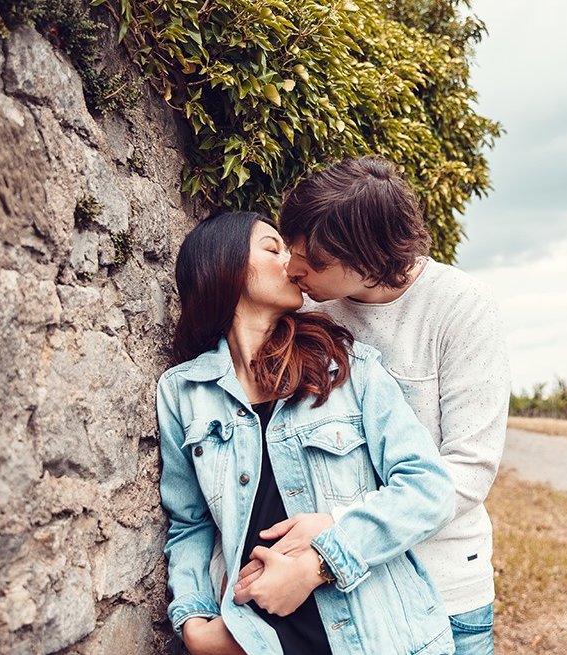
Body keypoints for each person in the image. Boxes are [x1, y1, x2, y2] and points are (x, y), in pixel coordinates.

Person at [157, 210, 457, 654]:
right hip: (259, 639)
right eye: (273, 248)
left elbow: (429, 489)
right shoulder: (183, 392)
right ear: (225, 267)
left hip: (376, 633)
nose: (294, 262)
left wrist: (319, 563)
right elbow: (189, 523)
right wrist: (194, 621)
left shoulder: (348, 367)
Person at [266, 157, 511, 654]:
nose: (292, 269)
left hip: (444, 592)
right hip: (347, 600)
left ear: (367, 260)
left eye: (311, 261)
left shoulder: (462, 307)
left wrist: (336, 533)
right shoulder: (308, 308)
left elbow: (468, 470)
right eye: (291, 249)